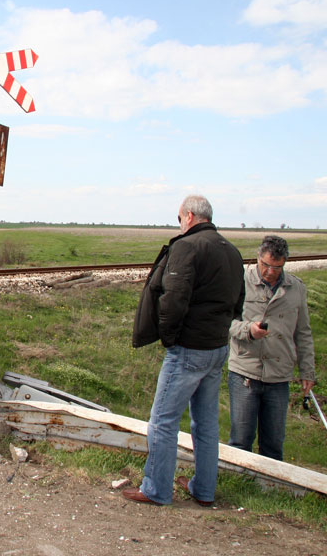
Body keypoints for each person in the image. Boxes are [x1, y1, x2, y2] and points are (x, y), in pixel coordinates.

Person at [126, 195, 245, 506]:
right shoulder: (231, 251)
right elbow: (238, 302)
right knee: (205, 424)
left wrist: (169, 337)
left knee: (163, 421)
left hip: (189, 349)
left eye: (179, 218)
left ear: (189, 216)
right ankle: (203, 489)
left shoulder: (186, 246)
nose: (179, 223)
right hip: (217, 348)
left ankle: (156, 489)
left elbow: (173, 297)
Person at [227, 235, 316, 461]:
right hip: (245, 372)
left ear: (284, 263)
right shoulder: (239, 281)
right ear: (258, 257)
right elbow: (224, 321)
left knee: (274, 444)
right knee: (240, 440)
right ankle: (238, 485)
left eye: (276, 267)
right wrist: (248, 330)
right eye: (265, 265)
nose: (269, 272)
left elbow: (303, 333)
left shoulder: (296, 288)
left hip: (279, 377)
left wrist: (307, 372)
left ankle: (269, 490)